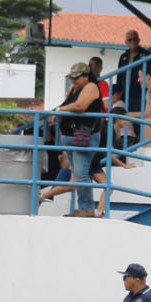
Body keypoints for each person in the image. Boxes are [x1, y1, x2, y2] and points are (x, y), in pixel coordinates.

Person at [55, 60, 104, 217]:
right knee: (78, 174)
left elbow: (80, 106)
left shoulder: (91, 87)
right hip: (74, 137)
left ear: (86, 76)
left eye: (76, 78)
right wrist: (60, 110)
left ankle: (87, 209)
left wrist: (60, 109)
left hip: (83, 136)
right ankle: (83, 207)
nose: (73, 80)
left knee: (81, 174)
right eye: (72, 78)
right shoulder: (76, 88)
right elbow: (72, 104)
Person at [115, 30, 149, 114]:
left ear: (139, 40)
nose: (132, 42)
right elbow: (119, 75)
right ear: (126, 42)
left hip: (141, 94)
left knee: (138, 117)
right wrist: (118, 92)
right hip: (125, 93)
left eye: (135, 39)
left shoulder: (147, 55)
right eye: (130, 40)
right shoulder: (123, 56)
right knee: (125, 117)